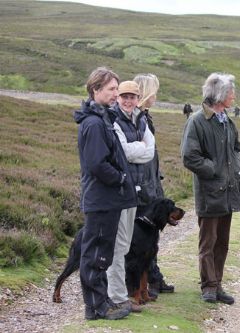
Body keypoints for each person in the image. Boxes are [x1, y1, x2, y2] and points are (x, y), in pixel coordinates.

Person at [74, 67, 136, 320]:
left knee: (103, 253)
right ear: (95, 90)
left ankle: (101, 302)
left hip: (107, 199)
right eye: (111, 89)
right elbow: (96, 164)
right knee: (95, 255)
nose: (116, 94)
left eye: (116, 88)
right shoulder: (93, 123)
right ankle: (96, 307)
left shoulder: (103, 119)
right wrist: (120, 177)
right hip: (100, 199)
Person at [181, 72, 240, 304]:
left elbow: (236, 148)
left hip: (228, 192)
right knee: (207, 242)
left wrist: (236, 165)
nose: (234, 96)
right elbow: (189, 156)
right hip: (209, 193)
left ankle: (217, 284)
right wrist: (216, 170)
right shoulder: (197, 121)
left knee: (223, 242)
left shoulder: (228, 121)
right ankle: (208, 286)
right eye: (231, 92)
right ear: (219, 95)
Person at [108, 80, 155, 313]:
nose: (128, 101)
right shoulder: (114, 118)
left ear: (138, 99)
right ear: (118, 97)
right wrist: (139, 147)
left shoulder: (141, 119)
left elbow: (150, 151)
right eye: (124, 96)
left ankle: (119, 294)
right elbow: (123, 151)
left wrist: (135, 148)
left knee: (125, 245)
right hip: (120, 190)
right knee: (117, 246)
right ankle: (114, 296)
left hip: (134, 189)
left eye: (132, 97)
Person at [133, 73, 176, 297]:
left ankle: (154, 277)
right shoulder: (138, 118)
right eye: (154, 91)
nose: (156, 96)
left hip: (151, 183)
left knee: (152, 236)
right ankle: (148, 280)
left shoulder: (144, 117)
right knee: (146, 236)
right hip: (144, 186)